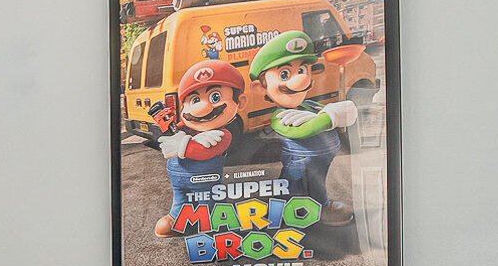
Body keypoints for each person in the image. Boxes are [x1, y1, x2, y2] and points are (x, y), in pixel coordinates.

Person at [249, 31, 357, 226]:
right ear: (260, 88)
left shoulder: (309, 106)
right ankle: (286, 216)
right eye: (284, 74)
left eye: (303, 70)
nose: (300, 79)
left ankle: (321, 206)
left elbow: (336, 117)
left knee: (316, 185)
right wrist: (330, 117)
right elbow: (303, 130)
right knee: (293, 189)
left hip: (321, 161)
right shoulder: (280, 116)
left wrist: (340, 112)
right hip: (299, 165)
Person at [153, 59, 243, 238]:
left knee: (208, 202)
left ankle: (216, 222)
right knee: (180, 199)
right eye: (194, 100)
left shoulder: (222, 135)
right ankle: (177, 218)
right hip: (178, 180)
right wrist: (167, 126)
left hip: (205, 181)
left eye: (215, 97)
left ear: (240, 102)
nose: (202, 108)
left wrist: (182, 145)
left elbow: (203, 152)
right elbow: (172, 135)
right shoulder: (183, 127)